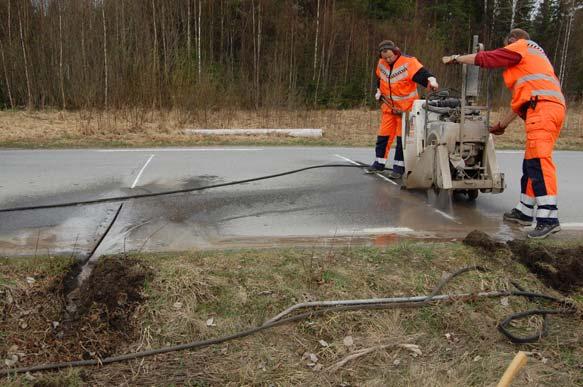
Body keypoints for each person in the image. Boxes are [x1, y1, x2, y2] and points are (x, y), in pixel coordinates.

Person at [443, 29, 565, 239]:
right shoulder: (537, 58)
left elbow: (488, 58)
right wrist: (501, 125)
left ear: (511, 40)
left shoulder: (522, 46)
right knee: (531, 164)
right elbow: (523, 101)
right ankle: (525, 212)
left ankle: (549, 219)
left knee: (539, 162)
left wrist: (456, 59)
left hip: (542, 111)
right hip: (546, 109)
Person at [369, 40, 439, 179]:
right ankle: (379, 163)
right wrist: (378, 90)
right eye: (385, 58)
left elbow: (423, 74)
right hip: (389, 108)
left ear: (396, 52)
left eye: (390, 56)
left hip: (406, 110)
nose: (388, 60)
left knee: (402, 140)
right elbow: (380, 78)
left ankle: (399, 168)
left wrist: (431, 81)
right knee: (383, 136)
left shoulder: (408, 62)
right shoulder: (381, 63)